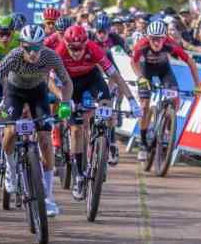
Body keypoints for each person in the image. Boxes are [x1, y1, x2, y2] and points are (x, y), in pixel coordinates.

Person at [0, 25, 72, 218]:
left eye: (37, 47)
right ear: (21, 45)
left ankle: (48, 197)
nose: (33, 53)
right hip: (14, 92)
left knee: (45, 139)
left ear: (42, 45)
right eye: (28, 48)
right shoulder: (13, 56)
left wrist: (65, 103)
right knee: (11, 131)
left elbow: (67, 82)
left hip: (38, 93)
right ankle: (11, 170)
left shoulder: (51, 56)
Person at [56, 25, 140, 198]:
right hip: (70, 84)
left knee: (106, 107)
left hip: (92, 79)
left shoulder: (94, 49)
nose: (77, 52)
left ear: (86, 44)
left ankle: (106, 143)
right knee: (76, 130)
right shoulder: (59, 52)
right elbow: (49, 81)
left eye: (80, 48)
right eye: (73, 49)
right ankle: (79, 176)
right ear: (66, 44)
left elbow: (116, 77)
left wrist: (132, 100)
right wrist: (64, 100)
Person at [131, 20, 200, 162]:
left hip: (164, 71)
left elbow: (191, 63)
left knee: (174, 98)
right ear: (148, 38)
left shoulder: (171, 44)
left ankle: (168, 125)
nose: (156, 42)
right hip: (146, 71)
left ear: (165, 38)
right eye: (153, 39)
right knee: (144, 105)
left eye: (160, 39)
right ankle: (143, 144)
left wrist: (198, 86)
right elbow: (133, 62)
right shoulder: (141, 45)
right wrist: (140, 78)